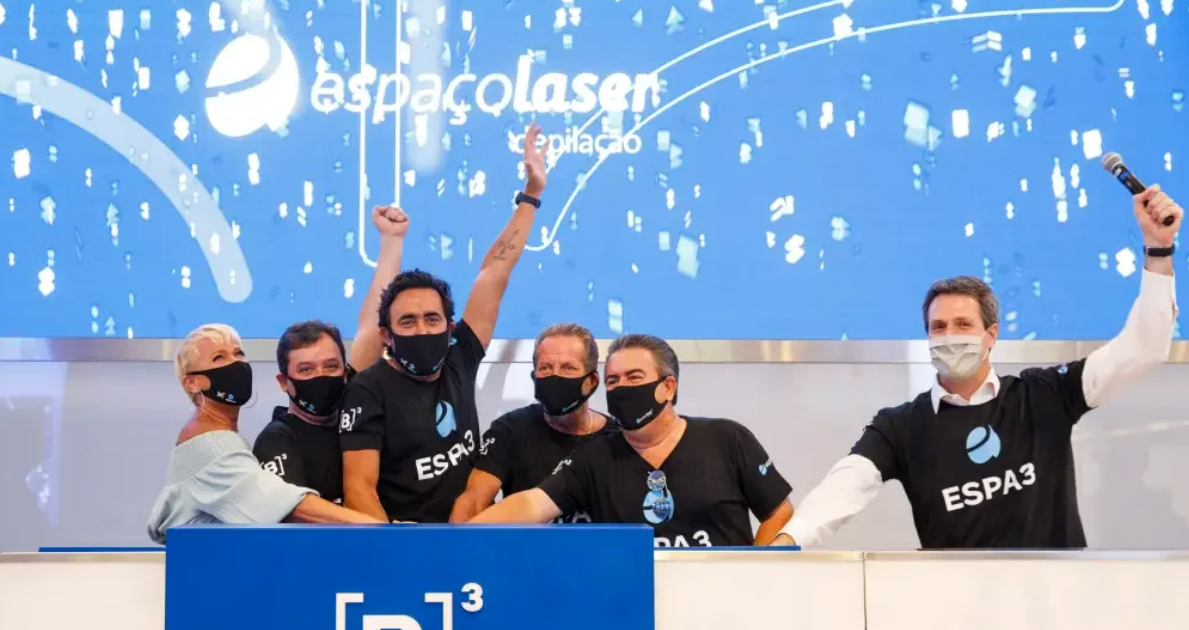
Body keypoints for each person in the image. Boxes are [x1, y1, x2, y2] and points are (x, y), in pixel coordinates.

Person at [774, 186, 1183, 549]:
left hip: (1058, 601)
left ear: (991, 335)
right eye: (938, 327)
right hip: (959, 605)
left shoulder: (1044, 395)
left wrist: (1158, 250)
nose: (949, 335)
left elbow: (1143, 348)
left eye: (963, 325)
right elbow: (843, 489)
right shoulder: (901, 427)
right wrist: (784, 546)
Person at [340, 123, 549, 522]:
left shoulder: (460, 357)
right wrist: (396, 549)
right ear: (387, 335)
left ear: (450, 327)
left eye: (432, 318)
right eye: (408, 321)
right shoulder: (368, 388)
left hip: (467, 537)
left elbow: (495, 272)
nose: (421, 329)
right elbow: (358, 489)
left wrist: (532, 193)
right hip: (403, 542)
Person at [468, 335, 795, 546]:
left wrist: (751, 572)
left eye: (634, 377)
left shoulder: (727, 439)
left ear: (668, 387)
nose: (622, 388)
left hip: (720, 605)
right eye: (613, 381)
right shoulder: (594, 458)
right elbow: (531, 504)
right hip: (633, 609)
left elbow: (779, 512)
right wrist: (458, 539)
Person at [148, 324, 384, 543]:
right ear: (191, 383)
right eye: (219, 357)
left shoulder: (223, 437)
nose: (235, 363)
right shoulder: (210, 447)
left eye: (238, 353)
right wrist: (383, 531)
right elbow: (289, 506)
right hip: (202, 570)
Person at [251, 206, 409, 501]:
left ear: (345, 371)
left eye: (331, 366)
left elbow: (372, 323)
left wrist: (392, 240)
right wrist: (373, 523)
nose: (321, 376)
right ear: (284, 382)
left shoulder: (353, 400)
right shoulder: (277, 439)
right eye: (306, 370)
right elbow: (301, 512)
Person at [448, 323, 619, 523]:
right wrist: (456, 539)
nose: (555, 376)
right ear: (534, 377)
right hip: (527, 543)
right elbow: (474, 499)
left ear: (592, 381)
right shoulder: (510, 430)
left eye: (568, 368)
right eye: (545, 368)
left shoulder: (616, 439)